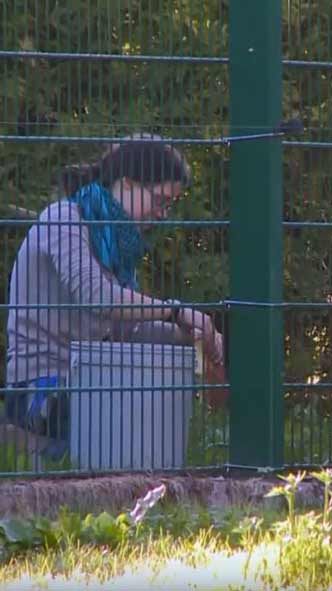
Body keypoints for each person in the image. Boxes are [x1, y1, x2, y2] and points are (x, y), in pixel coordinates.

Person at [3, 133, 225, 461]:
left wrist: (193, 335)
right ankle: (25, 440)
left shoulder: (118, 247)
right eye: (160, 200)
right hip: (40, 385)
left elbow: (123, 330)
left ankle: (52, 449)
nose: (162, 214)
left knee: (129, 423)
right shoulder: (64, 218)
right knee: (115, 432)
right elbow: (98, 297)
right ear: (129, 183)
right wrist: (176, 313)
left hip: (93, 380)